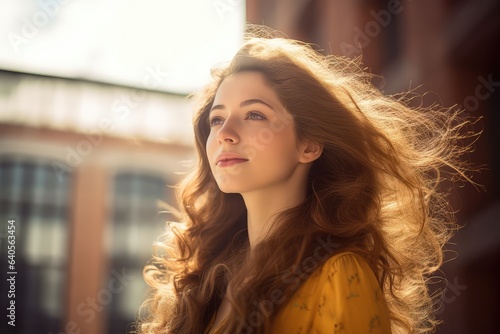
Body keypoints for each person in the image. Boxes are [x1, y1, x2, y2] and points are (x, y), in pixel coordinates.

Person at [135, 26, 475, 334]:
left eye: (254, 114)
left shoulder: (339, 274)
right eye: (217, 119)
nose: (225, 134)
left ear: (309, 144)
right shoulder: (205, 278)